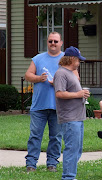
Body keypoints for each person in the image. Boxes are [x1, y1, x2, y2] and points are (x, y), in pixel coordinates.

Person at [24, 32, 64, 172]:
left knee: (56, 137)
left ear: (61, 43)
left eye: (55, 41)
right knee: (35, 136)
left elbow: (75, 79)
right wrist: (38, 78)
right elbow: (28, 75)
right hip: (39, 105)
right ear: (47, 42)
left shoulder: (66, 59)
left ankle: (52, 164)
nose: (53, 43)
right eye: (50, 41)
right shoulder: (38, 58)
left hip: (59, 106)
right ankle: (31, 164)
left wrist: (58, 83)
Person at [53, 46, 90, 180]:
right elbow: (59, 93)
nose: (80, 62)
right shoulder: (61, 73)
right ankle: (66, 179)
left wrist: (81, 93)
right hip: (69, 117)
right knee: (71, 148)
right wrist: (78, 94)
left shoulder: (71, 73)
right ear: (73, 59)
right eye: (79, 60)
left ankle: (72, 176)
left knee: (77, 148)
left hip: (78, 116)